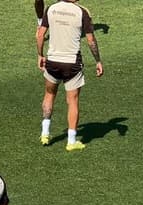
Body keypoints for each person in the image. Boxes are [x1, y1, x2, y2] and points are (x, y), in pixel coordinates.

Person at [36, 0, 103, 151]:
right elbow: (91, 40)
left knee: (49, 94)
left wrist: (40, 55)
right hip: (72, 63)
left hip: (52, 61)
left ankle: (45, 133)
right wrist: (98, 61)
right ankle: (71, 141)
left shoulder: (51, 9)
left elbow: (40, 34)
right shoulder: (82, 12)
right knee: (72, 101)